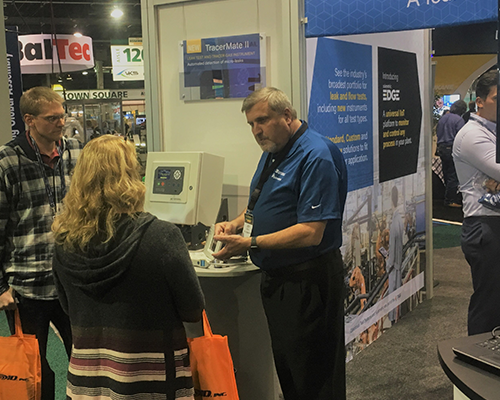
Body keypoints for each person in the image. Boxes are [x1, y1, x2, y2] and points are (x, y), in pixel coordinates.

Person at [213, 87, 348, 400]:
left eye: (262, 120)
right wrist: (234, 224)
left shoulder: (315, 155)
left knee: (313, 377)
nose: (256, 131)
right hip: (280, 281)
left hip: (308, 281)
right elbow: (262, 204)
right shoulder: (274, 150)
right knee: (290, 370)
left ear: (287, 116)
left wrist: (250, 243)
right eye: (251, 124)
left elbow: (310, 231)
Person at [51, 135, 205, 399]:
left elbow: (67, 307)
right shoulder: (161, 236)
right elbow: (192, 308)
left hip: (88, 380)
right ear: (131, 177)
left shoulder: (64, 241)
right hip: (153, 379)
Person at [0, 86, 81, 400]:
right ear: (29, 120)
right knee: (35, 367)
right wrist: (1, 287)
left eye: (62, 115)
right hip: (26, 286)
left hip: (71, 282)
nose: (61, 123)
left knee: (84, 359)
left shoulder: (75, 151)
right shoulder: (8, 161)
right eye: (52, 118)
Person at [452, 70, 500, 335]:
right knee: (489, 303)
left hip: (493, 225)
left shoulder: (492, 132)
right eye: (497, 98)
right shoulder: (472, 135)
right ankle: (479, 364)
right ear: (479, 101)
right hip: (486, 227)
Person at [436, 99, 467, 207]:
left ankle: (447, 197)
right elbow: (462, 136)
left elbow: (437, 132)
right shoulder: (459, 120)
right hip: (452, 148)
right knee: (453, 176)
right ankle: (451, 200)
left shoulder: (443, 118)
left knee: (446, 173)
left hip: (441, 148)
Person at [387, 186, 404, 324]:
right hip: (398, 262)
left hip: (394, 265)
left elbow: (392, 247)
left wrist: (389, 263)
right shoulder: (399, 220)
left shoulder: (394, 223)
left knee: (392, 291)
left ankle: (393, 318)